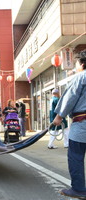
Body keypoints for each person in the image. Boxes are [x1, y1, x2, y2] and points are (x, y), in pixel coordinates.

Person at [53, 50, 86, 199]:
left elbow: (70, 98)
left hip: (82, 124)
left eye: (77, 63)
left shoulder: (81, 77)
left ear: (82, 64)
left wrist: (59, 116)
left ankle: (78, 189)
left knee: (76, 156)